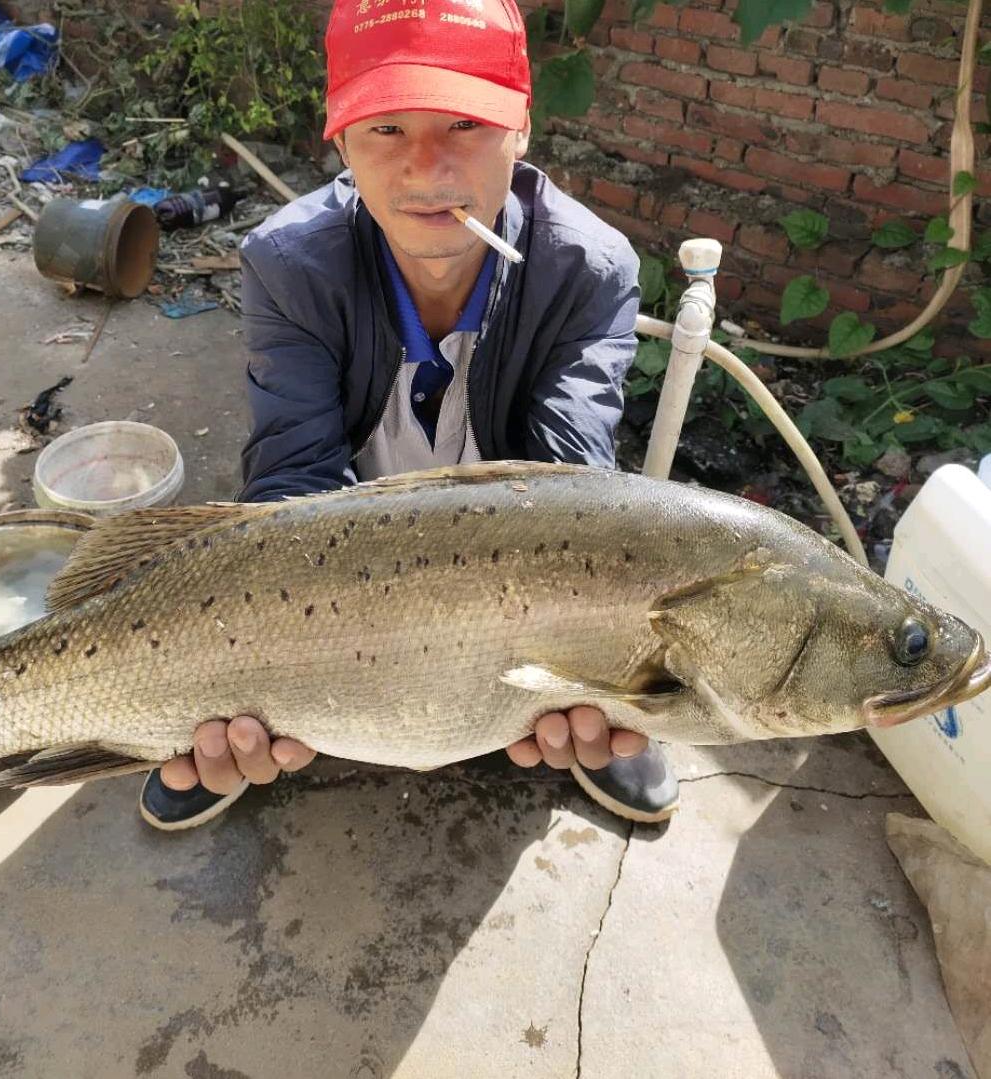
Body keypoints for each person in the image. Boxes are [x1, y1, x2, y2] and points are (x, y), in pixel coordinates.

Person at [139, 0, 679, 831]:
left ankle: (604, 718)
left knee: (615, 691)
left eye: (465, 122)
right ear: (340, 141)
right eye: (385, 129)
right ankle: (222, 720)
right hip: (346, 544)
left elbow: (573, 489)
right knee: (227, 689)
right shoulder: (288, 263)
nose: (427, 169)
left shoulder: (588, 269)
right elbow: (293, 476)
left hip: (511, 559)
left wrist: (591, 659)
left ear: (522, 129)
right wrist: (249, 648)